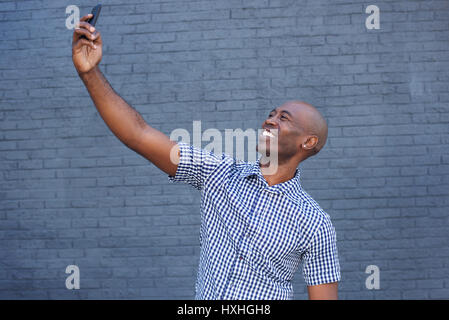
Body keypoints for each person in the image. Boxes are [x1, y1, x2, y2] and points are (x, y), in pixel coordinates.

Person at [72, 13, 340, 300]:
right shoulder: (219, 173)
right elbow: (138, 134)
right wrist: (90, 73)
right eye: (270, 114)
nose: (270, 121)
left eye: (284, 118)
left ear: (308, 142)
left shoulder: (314, 222)